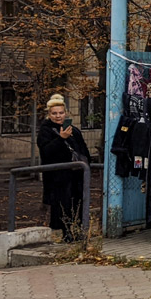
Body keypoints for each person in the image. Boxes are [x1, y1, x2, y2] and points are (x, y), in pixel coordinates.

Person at [37, 93, 92, 241]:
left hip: (76, 175)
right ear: (49, 114)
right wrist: (61, 139)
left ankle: (79, 230)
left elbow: (84, 151)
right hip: (57, 176)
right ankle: (65, 233)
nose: (58, 116)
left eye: (61, 113)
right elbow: (46, 151)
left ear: (65, 113)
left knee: (77, 203)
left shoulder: (73, 130)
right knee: (62, 204)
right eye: (54, 113)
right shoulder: (46, 130)